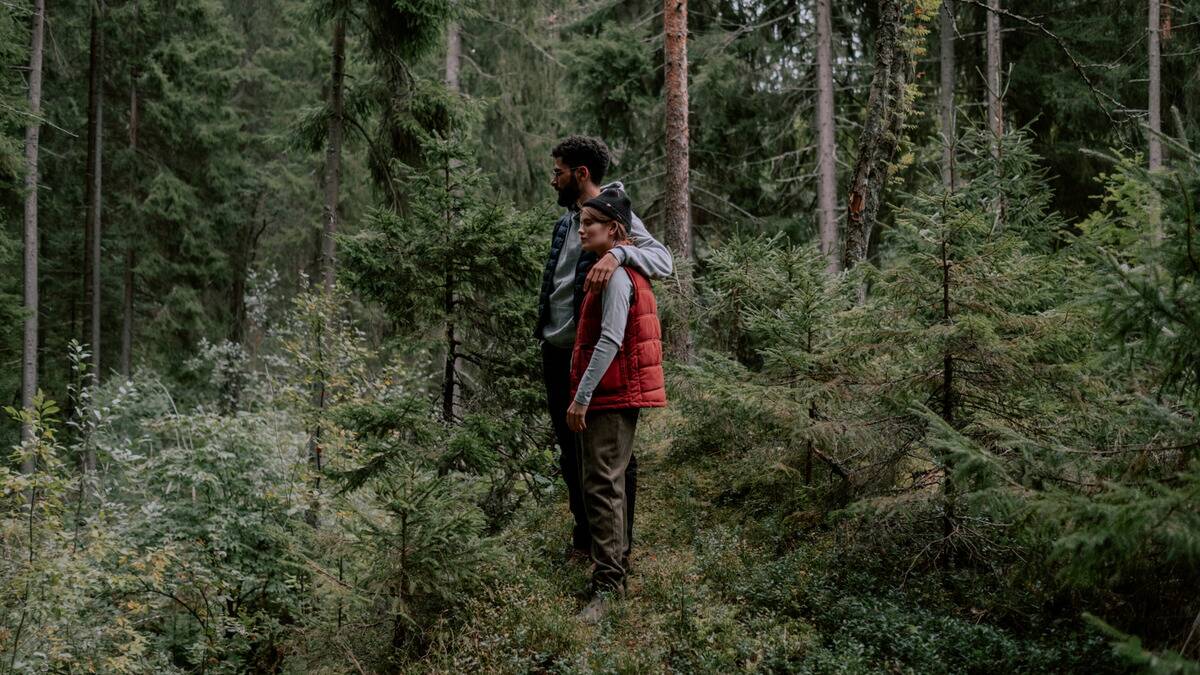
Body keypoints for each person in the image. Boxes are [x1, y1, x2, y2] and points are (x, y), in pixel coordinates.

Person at [536, 136, 673, 565]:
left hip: (594, 356)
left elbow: (663, 260)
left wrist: (619, 255)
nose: (552, 179)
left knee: (610, 460)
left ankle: (617, 548)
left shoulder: (614, 214)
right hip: (557, 352)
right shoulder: (568, 221)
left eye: (558, 172)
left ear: (581, 174)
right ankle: (584, 539)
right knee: (570, 450)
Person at [567, 186, 667, 621]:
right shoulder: (616, 270)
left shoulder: (617, 276)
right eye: (581, 222)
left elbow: (609, 339)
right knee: (610, 482)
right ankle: (615, 567)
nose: (582, 229)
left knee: (602, 485)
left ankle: (608, 586)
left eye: (590, 223)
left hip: (609, 395)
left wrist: (581, 398)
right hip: (615, 392)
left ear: (614, 229)